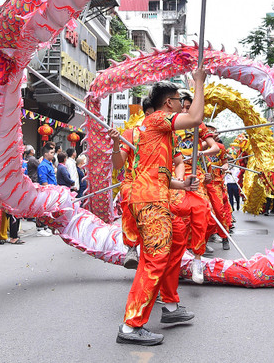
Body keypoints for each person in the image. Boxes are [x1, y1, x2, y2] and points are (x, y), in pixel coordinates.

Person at [111, 68, 207, 346]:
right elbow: (196, 118)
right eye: (179, 101)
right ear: (169, 104)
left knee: (158, 258)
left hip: (155, 196)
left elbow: (156, 173)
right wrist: (199, 82)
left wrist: (182, 185)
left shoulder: (158, 133)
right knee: (155, 260)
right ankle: (131, 326)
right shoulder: (156, 120)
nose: (183, 105)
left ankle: (163, 310)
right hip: (149, 200)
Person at [35, 143, 56, 237]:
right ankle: (40, 228)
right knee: (42, 209)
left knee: (48, 210)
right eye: (51, 152)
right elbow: (44, 181)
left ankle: (45, 226)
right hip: (46, 191)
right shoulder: (43, 166)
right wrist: (48, 191)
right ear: (46, 154)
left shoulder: (49, 164)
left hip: (52, 190)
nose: (53, 154)